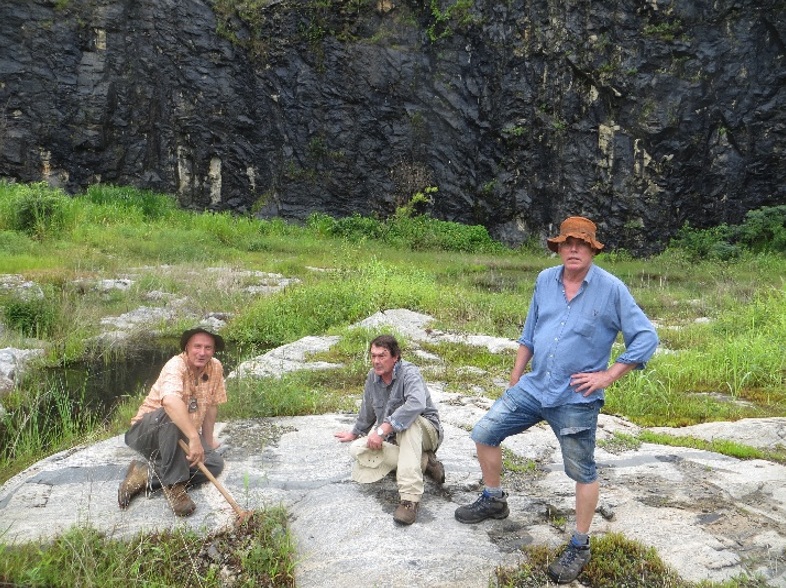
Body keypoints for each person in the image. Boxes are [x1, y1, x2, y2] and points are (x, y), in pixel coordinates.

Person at [454, 216, 659, 584]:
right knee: (484, 432)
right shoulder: (545, 280)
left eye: (582, 244)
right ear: (559, 247)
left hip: (576, 397)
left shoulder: (611, 289)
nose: (574, 249)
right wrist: (516, 375)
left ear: (593, 250)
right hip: (535, 387)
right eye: (568, 243)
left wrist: (607, 376)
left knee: (582, 471)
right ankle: (494, 498)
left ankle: (580, 544)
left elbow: (646, 337)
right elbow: (530, 332)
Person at [335, 334, 445, 525]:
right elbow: (368, 409)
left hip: (425, 432)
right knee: (357, 449)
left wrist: (383, 428)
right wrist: (355, 432)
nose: (376, 361)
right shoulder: (372, 377)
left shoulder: (409, 373)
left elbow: (416, 404)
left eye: (382, 355)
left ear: (395, 357)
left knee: (408, 423)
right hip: (395, 438)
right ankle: (425, 462)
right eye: (373, 356)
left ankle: (410, 500)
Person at [118, 327, 228, 517]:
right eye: (197, 346)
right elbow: (169, 401)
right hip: (146, 432)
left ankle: (145, 474)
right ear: (187, 347)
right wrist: (194, 437)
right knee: (171, 413)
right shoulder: (175, 366)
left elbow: (211, 406)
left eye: (208, 348)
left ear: (214, 350)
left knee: (214, 464)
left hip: (179, 435)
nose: (202, 353)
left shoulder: (215, 367)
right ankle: (174, 487)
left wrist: (207, 441)